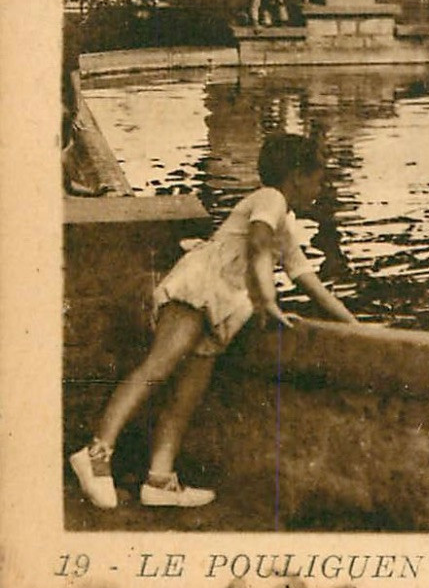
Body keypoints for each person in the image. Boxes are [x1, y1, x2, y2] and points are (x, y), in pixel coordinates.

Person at [68, 134, 360, 509]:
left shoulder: (285, 225)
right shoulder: (271, 199)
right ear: (296, 176)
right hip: (203, 289)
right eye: (318, 179)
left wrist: (355, 326)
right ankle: (96, 454)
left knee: (187, 394)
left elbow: (310, 283)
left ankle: (159, 479)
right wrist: (266, 301)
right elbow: (256, 242)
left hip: (223, 310)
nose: (321, 188)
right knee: (158, 367)